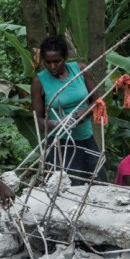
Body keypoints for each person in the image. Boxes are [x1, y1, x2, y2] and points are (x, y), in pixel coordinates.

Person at [31, 36, 108, 185]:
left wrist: (84, 112)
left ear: (65, 58)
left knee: (99, 184)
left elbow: (97, 102)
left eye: (56, 61)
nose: (52, 66)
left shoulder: (80, 71)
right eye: (48, 62)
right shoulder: (39, 82)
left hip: (86, 138)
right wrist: (56, 124)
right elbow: (38, 119)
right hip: (60, 144)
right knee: (68, 187)